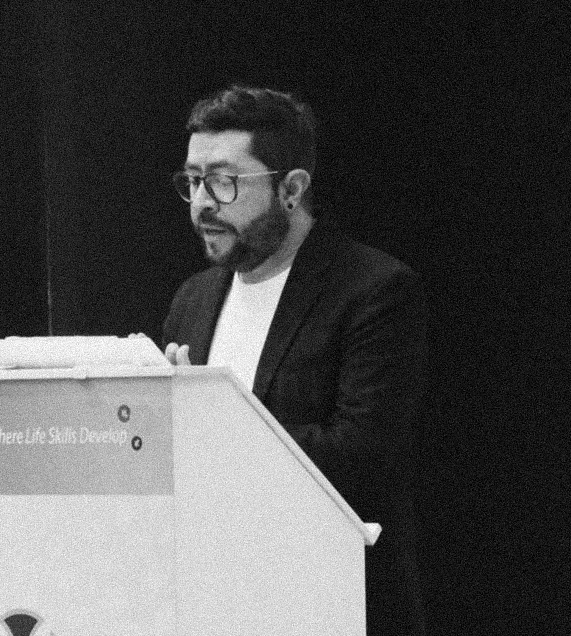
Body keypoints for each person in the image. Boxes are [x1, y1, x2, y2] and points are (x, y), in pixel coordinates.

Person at [163, 85, 428, 636]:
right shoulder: (193, 298)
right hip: (213, 601)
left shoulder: (373, 290)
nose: (202, 203)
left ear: (291, 189)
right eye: (192, 180)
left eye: (223, 180)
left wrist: (209, 421)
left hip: (329, 600)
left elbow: (362, 456)